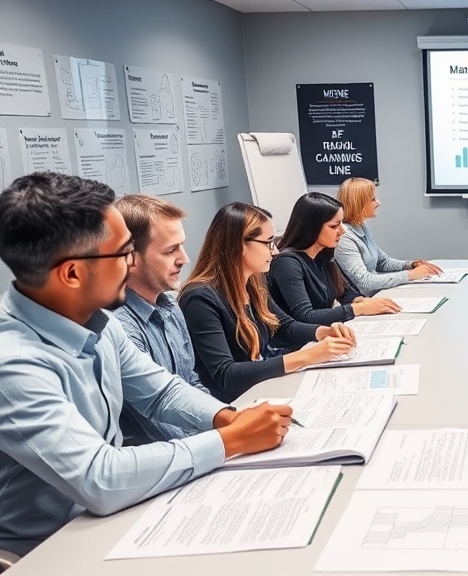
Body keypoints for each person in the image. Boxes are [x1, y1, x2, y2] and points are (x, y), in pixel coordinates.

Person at [0, 173, 293, 556]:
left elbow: (162, 391)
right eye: (124, 254)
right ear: (72, 273)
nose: (133, 263)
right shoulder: (14, 365)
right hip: (47, 549)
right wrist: (230, 440)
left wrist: (227, 417)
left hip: (111, 516)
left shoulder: (96, 320)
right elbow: (99, 478)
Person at [179, 202, 357, 403]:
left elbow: (285, 327)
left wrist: (323, 332)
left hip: (260, 390)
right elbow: (226, 374)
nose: (274, 252)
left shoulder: (253, 283)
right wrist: (307, 356)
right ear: (240, 245)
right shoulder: (199, 298)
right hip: (235, 405)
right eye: (268, 243)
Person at [111, 194, 209, 444]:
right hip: (168, 457)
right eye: (170, 250)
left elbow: (191, 383)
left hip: (197, 445)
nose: (184, 259)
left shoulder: (170, 306)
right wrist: (226, 440)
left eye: (182, 245)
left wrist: (231, 422)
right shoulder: (120, 325)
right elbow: (153, 422)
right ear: (129, 258)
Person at [270, 192, 401, 323]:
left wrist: (365, 301)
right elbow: (305, 316)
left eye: (341, 223)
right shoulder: (287, 263)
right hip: (304, 341)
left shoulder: (324, 253)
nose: (342, 231)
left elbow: (344, 292)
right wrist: (359, 308)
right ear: (311, 228)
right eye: (334, 226)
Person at [335, 177, 441, 296]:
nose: (378, 203)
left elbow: (383, 262)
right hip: (367, 301)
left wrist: (411, 265)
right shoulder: (344, 238)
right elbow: (364, 282)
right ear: (359, 203)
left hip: (380, 293)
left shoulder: (362, 226)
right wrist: (410, 275)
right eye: (373, 199)